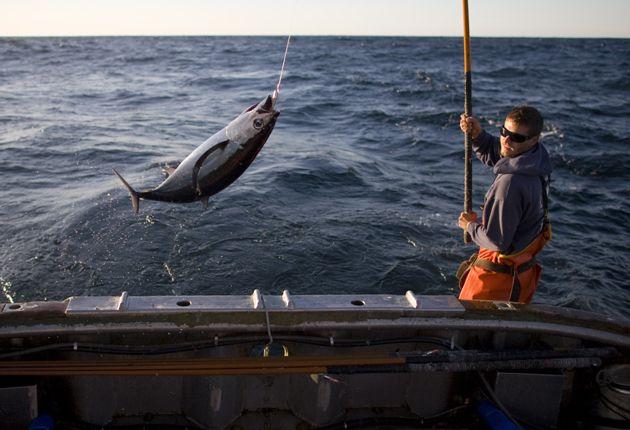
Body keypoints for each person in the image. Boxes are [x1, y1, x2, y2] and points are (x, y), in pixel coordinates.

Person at [456, 106, 552, 303]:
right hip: (520, 276)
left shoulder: (509, 186)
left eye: (516, 137)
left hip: (497, 283)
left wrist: (470, 226)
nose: (506, 140)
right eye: (504, 132)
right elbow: (503, 156)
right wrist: (478, 136)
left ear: (534, 140)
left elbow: (497, 241)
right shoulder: (536, 160)